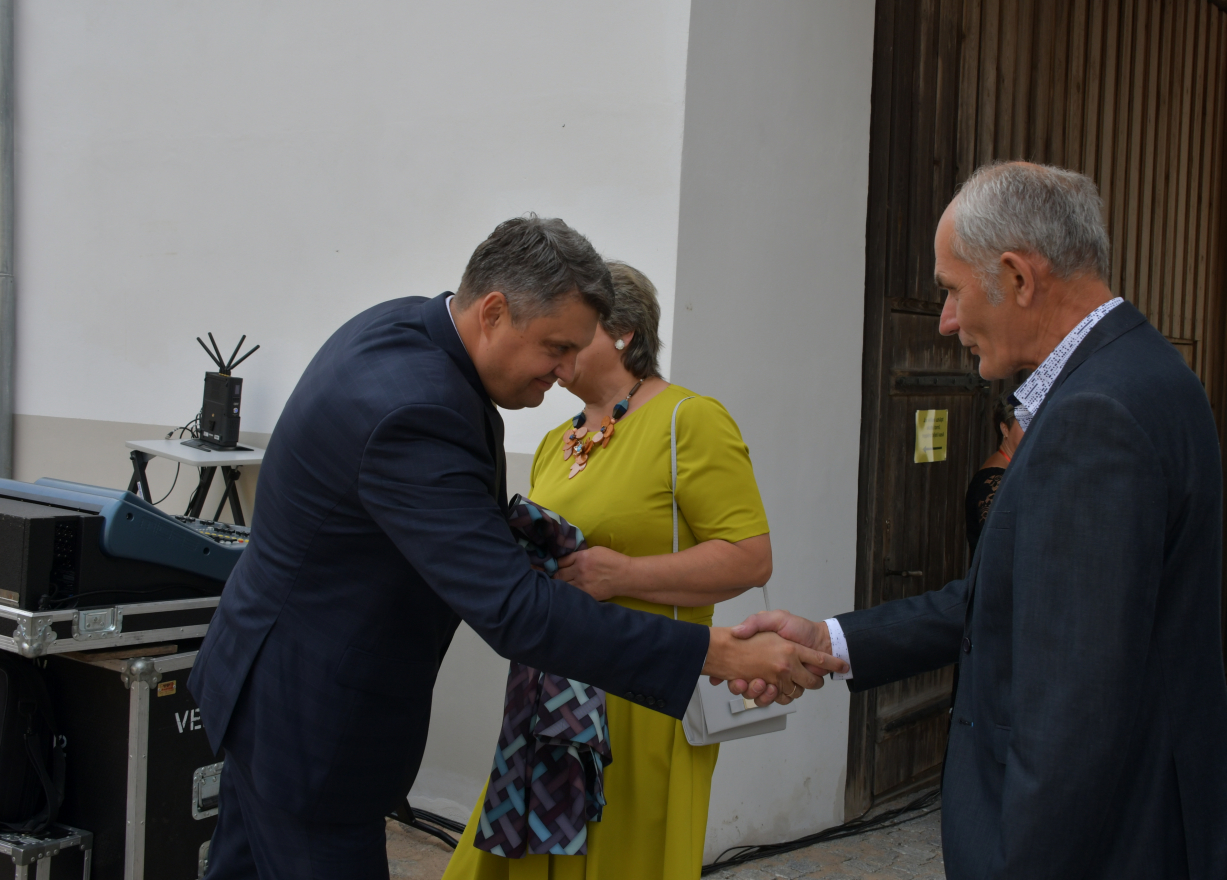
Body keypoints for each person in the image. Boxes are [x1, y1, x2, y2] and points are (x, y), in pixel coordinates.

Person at [187, 217, 845, 880]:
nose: (564, 371)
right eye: (556, 348)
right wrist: (717, 653)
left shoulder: (405, 331)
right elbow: (515, 610)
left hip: (270, 687)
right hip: (310, 726)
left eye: (577, 349)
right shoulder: (418, 408)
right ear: (494, 311)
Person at [732, 163, 1227, 880]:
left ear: (1017, 277)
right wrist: (834, 640)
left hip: (1115, 846)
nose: (946, 321)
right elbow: (1025, 602)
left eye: (952, 290)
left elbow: (1075, 708)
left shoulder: (1096, 413)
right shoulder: (1139, 372)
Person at [445, 262, 771, 879]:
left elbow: (751, 557)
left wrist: (620, 576)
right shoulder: (556, 441)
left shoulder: (688, 419)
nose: (559, 355)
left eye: (574, 336)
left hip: (642, 694)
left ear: (623, 332)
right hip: (552, 694)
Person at [963, 397, 1022, 555]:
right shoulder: (992, 482)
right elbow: (999, 547)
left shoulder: (1013, 469)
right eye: (1024, 423)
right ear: (1005, 429)